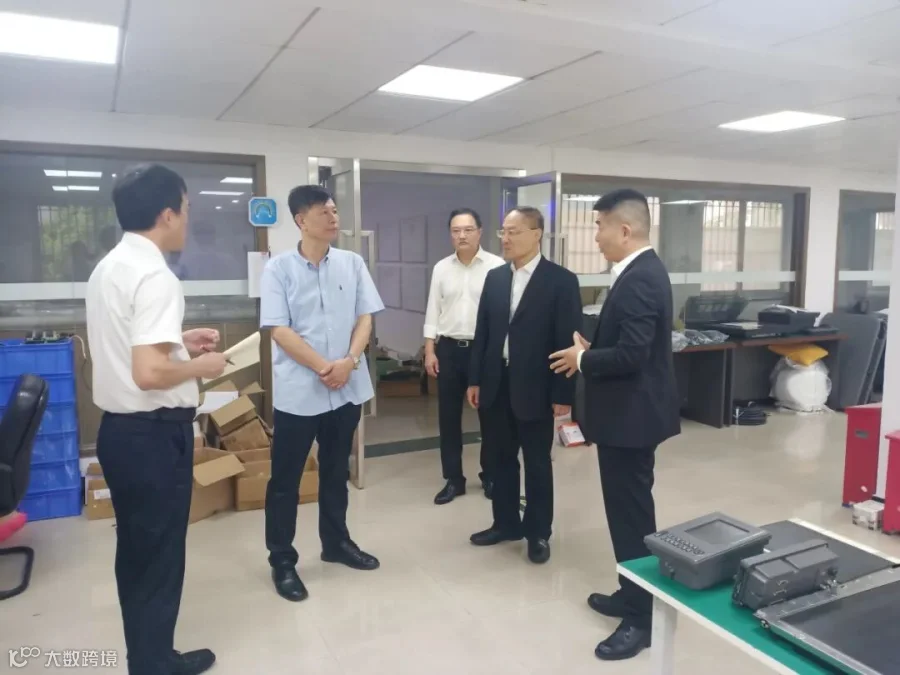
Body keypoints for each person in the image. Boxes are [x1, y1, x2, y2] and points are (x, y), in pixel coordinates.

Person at [86, 164, 227, 675]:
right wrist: (201, 367)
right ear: (167, 214)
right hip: (152, 437)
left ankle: (147, 655)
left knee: (138, 551)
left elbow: (129, 346)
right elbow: (148, 373)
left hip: (121, 435)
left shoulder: (109, 267)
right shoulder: (156, 276)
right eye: (186, 209)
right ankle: (154, 663)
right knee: (160, 555)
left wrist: (178, 343)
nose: (187, 219)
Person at [550, 189, 680, 661]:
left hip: (632, 421)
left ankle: (642, 620)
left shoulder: (641, 277)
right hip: (627, 417)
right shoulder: (637, 271)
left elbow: (633, 355)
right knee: (625, 515)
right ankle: (631, 592)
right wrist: (595, 347)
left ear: (624, 230)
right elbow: (627, 342)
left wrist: (584, 358)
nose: (596, 236)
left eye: (599, 226)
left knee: (632, 518)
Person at [259, 185, 385, 603]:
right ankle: (282, 560)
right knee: (286, 481)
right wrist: (323, 367)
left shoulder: (351, 263)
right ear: (301, 220)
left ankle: (336, 543)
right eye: (324, 212)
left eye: (334, 211)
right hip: (300, 394)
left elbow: (365, 317)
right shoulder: (278, 269)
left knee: (335, 471)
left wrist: (348, 361)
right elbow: (279, 330)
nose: (334, 218)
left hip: (346, 389)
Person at [466, 206, 582, 564]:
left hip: (536, 387)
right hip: (496, 383)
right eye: (503, 231)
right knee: (499, 459)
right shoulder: (495, 278)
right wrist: (475, 379)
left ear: (536, 234)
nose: (505, 238)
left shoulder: (561, 281)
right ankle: (505, 524)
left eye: (513, 231)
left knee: (537, 463)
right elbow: (483, 332)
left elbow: (568, 342)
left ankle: (538, 532)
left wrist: (563, 394)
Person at [423, 208, 505, 505]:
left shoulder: (497, 267)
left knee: (490, 417)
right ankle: (453, 479)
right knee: (448, 418)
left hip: (484, 351)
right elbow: (433, 309)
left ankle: (490, 475)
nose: (462, 235)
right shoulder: (441, 268)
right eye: (456, 230)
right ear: (450, 234)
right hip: (448, 350)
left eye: (468, 229)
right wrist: (429, 350)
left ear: (480, 232)